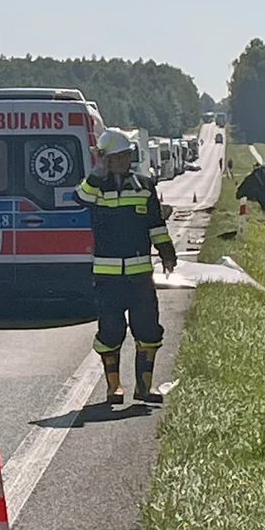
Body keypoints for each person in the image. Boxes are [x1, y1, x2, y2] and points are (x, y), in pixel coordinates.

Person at [75, 129, 178, 405]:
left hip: (140, 276)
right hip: (108, 278)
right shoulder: (95, 188)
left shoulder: (144, 185)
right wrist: (97, 173)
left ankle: (144, 388)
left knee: (148, 329)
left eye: (126, 156)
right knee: (110, 331)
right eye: (116, 157)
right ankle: (114, 388)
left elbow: (156, 225)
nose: (123, 161)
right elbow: (80, 199)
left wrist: (167, 252)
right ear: (105, 159)